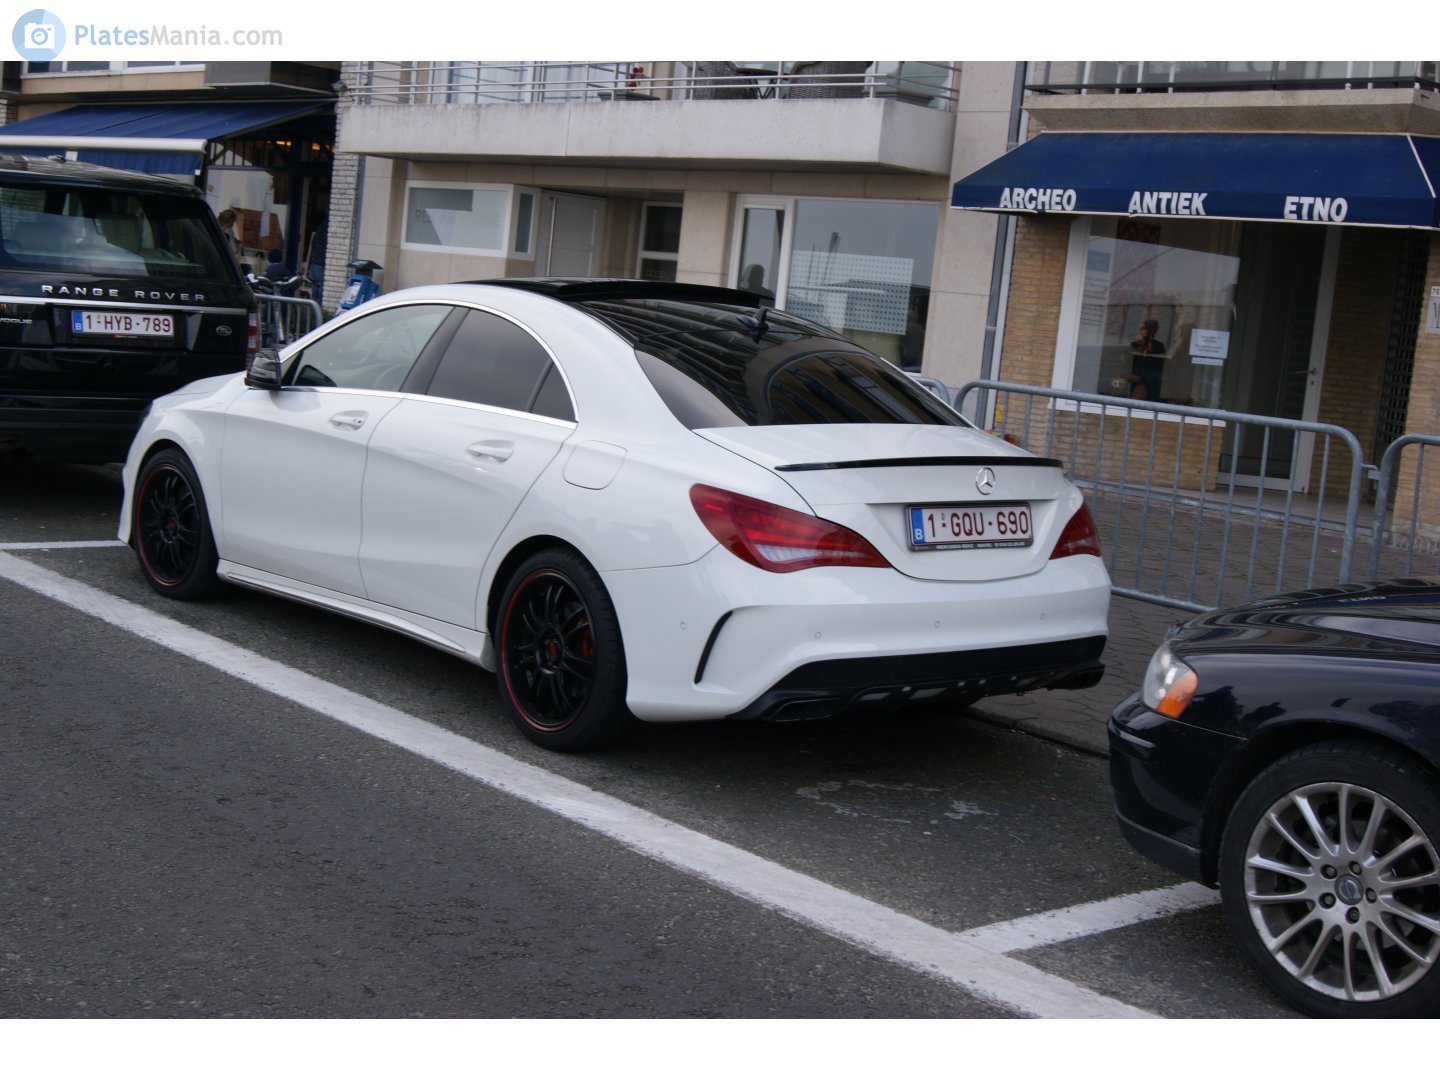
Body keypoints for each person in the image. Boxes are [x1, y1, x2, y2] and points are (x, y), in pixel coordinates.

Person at [1126, 318, 1166, 399]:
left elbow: (1157, 366)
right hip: (1137, 377)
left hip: (1151, 380)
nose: (1141, 331)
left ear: (1150, 330)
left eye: (1143, 329)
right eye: (1141, 329)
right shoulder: (1136, 344)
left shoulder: (1158, 346)